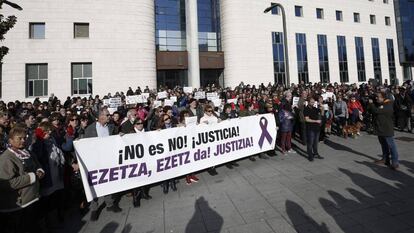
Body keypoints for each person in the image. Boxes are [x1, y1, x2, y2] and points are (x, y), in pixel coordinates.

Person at [0, 127, 45, 233]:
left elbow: (37, 164)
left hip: (32, 198)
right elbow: (6, 184)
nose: (23, 141)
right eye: (19, 138)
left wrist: (40, 170)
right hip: (19, 206)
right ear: (10, 140)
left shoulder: (27, 152)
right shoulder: (6, 158)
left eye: (24, 138)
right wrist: (32, 176)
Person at [84, 108, 122, 221]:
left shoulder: (111, 127)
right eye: (107, 115)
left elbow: (115, 138)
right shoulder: (90, 129)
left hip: (108, 160)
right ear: (100, 116)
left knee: (108, 181)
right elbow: (86, 145)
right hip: (94, 161)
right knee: (94, 184)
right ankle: (94, 209)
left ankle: (110, 204)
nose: (109, 116)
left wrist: (120, 135)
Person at [369, 92, 400, 170]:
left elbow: (376, 111)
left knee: (391, 146)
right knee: (383, 145)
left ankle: (395, 163)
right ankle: (385, 159)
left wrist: (372, 104)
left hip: (387, 129)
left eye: (378, 97)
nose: (376, 98)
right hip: (380, 128)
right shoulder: (380, 104)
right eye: (375, 97)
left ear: (383, 98)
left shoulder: (388, 104)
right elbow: (371, 110)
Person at [157, 113, 178, 194]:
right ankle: (165, 184)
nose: (168, 120)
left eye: (168, 118)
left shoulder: (174, 126)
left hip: (173, 149)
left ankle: (172, 182)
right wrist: (157, 132)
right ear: (163, 121)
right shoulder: (160, 128)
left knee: (172, 165)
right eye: (166, 119)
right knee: (165, 167)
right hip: (164, 151)